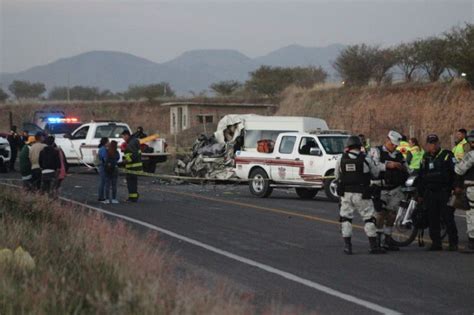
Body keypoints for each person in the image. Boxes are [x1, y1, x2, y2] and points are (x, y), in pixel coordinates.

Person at [336, 135, 384, 254]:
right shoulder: (366, 159)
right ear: (359, 146)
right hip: (362, 193)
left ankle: (348, 246)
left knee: (346, 218)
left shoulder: (341, 159)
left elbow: (337, 176)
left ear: (348, 146)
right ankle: (373, 246)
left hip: (346, 194)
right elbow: (375, 172)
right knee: (369, 218)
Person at [370, 130, 409, 251]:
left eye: (396, 145)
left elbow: (407, 168)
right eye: (392, 144)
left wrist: (401, 167)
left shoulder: (399, 155)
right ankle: (377, 239)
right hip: (380, 188)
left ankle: (388, 238)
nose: (394, 147)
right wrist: (388, 165)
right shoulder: (375, 151)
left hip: (395, 189)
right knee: (380, 214)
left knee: (392, 214)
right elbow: (372, 165)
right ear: (387, 141)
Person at [418, 134, 458, 251]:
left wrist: (455, 187)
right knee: (432, 218)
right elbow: (421, 176)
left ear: (439, 143)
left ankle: (453, 242)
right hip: (430, 193)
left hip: (444, 192)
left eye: (435, 143)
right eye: (431, 143)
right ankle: (436, 243)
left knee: (447, 217)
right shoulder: (425, 157)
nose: (433, 146)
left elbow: (455, 173)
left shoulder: (447, 155)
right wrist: (420, 194)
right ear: (427, 145)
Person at [454, 130, 474, 253]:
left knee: (471, 213)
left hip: (472, 187)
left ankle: (472, 241)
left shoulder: (471, 154)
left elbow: (459, 170)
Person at [121, 130, 143, 202]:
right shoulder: (134, 141)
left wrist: (125, 161)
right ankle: (134, 196)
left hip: (132, 167)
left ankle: (132, 198)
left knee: (131, 183)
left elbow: (133, 156)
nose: (123, 138)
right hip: (135, 166)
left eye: (123, 137)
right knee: (133, 182)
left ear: (127, 135)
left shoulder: (131, 144)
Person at [97, 137, 109, 202]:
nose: (109, 143)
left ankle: (100, 196)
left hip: (101, 166)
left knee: (102, 182)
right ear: (105, 143)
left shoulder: (101, 149)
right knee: (102, 182)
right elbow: (105, 159)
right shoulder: (103, 149)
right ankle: (101, 197)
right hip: (103, 167)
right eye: (108, 141)